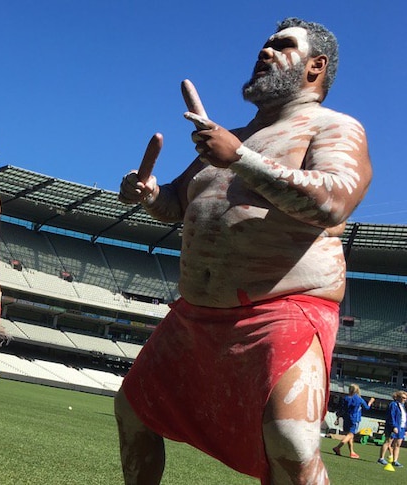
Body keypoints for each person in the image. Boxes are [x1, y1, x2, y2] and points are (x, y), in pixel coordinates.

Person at [114, 18, 372, 484]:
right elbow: (178, 202)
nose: (264, 51)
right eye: (265, 44)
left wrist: (241, 158)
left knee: (291, 444)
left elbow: (334, 201)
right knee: (134, 411)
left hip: (282, 309)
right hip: (195, 315)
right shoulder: (224, 138)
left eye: (281, 45)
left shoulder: (333, 127)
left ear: (317, 67)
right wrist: (149, 193)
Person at [332, 384, 374, 458]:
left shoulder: (346, 398)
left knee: (349, 435)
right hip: (354, 418)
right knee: (351, 434)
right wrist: (370, 402)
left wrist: (338, 417)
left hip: (346, 418)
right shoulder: (359, 399)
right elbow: (367, 408)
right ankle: (338, 447)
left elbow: (342, 409)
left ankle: (352, 452)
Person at [378, 390, 407, 467]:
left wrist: (405, 429)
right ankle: (381, 458)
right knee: (388, 442)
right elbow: (391, 416)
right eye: (403, 398)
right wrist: (394, 426)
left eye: (405, 398)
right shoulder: (393, 405)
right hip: (393, 427)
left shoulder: (402, 406)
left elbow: (404, 418)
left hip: (401, 427)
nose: (405, 399)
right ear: (398, 397)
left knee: (398, 444)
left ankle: (395, 460)